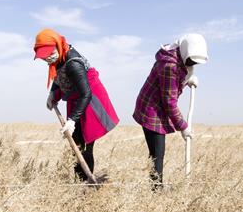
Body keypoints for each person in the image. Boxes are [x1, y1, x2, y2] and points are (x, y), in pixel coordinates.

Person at [33, 28, 119, 181]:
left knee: (85, 146)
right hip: (76, 98)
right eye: (44, 57)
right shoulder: (59, 56)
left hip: (89, 101)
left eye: (49, 54)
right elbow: (59, 75)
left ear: (57, 45)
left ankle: (86, 184)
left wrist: (72, 120)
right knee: (76, 144)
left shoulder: (74, 64)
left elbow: (86, 94)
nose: (47, 59)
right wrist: (53, 93)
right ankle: (80, 182)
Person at [133, 34, 208, 187]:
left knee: (157, 153)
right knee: (157, 153)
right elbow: (169, 102)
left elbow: (177, 79)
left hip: (159, 105)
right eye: (192, 60)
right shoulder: (169, 66)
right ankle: (156, 189)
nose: (192, 64)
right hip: (151, 109)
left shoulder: (177, 56)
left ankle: (156, 186)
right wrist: (183, 127)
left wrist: (188, 79)